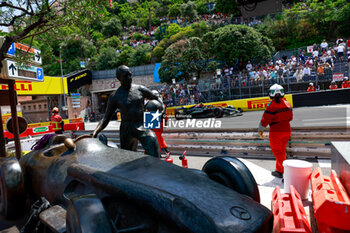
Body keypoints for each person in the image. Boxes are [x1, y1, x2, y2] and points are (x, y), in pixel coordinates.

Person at [92, 65, 162, 158]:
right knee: (127, 157)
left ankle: (156, 169)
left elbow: (157, 97)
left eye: (130, 75)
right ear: (118, 78)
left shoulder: (139, 89)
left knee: (152, 141)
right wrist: (96, 131)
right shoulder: (114, 96)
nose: (129, 78)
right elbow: (106, 118)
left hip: (140, 125)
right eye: (126, 76)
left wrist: (161, 108)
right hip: (126, 128)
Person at [258, 84, 293, 179]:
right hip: (287, 130)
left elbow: (265, 120)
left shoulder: (271, 106)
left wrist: (260, 129)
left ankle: (286, 174)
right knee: (282, 151)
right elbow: (290, 118)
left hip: (276, 132)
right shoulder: (287, 103)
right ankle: (279, 171)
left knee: (278, 153)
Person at [146, 90, 170, 157]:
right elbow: (165, 115)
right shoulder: (162, 104)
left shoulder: (152, 103)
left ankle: (158, 153)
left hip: (156, 122)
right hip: (160, 122)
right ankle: (166, 150)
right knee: (158, 136)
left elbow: (148, 112)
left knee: (157, 138)